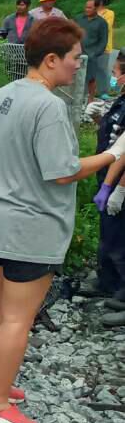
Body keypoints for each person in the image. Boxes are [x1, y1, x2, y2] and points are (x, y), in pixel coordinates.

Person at [0, 19, 125, 423]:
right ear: (51, 59)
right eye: (75, 58)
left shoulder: (4, 95)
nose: (79, 66)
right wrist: (114, 153)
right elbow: (62, 171)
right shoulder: (49, 107)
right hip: (30, 226)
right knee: (19, 317)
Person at [82, 51, 125, 327]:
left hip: (120, 177)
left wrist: (116, 187)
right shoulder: (120, 100)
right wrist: (98, 118)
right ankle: (107, 280)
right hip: (108, 171)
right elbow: (113, 137)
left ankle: (122, 289)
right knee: (108, 232)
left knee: (120, 237)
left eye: (118, 73)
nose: (114, 78)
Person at [80, 0, 111, 101]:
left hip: (92, 55)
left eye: (90, 8)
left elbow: (103, 41)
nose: (87, 10)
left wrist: (95, 53)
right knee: (78, 78)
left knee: (91, 78)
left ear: (96, 8)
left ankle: (90, 101)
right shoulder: (79, 18)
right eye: (86, 7)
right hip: (78, 54)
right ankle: (79, 99)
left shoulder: (102, 23)